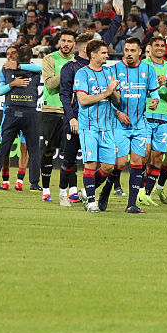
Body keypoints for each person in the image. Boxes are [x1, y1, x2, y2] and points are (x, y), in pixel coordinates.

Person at [108, 37, 160, 213]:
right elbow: (105, 99)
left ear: (140, 52)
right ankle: (104, 193)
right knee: (120, 164)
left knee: (138, 160)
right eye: (126, 50)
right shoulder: (114, 70)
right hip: (118, 123)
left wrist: (154, 102)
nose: (128, 54)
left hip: (139, 123)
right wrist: (118, 112)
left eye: (132, 50)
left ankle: (131, 204)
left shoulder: (148, 70)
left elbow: (155, 95)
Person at [0, 44, 43, 192]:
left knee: (15, 148)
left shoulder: (18, 69)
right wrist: (13, 83)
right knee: (26, 149)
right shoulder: (8, 69)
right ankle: (34, 184)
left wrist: (17, 66)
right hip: (21, 112)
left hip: (20, 112)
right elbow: (1, 91)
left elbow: (38, 68)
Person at [76, 40, 121, 213]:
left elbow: (117, 101)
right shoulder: (82, 74)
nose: (107, 55)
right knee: (90, 163)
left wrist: (114, 93)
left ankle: (85, 191)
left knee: (109, 167)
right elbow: (83, 100)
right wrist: (107, 92)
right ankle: (91, 202)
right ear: (92, 54)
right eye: (103, 53)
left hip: (107, 126)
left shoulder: (109, 73)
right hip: (89, 126)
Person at [141, 35, 167, 205]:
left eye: (162, 45)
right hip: (146, 116)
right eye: (156, 45)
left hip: (164, 117)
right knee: (145, 154)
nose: (159, 48)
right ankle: (140, 190)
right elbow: (139, 91)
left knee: (161, 155)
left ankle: (149, 191)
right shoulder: (144, 66)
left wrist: (166, 85)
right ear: (151, 47)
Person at [37, 30, 75, 196]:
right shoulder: (50, 59)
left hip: (71, 113)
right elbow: (50, 84)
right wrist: (67, 72)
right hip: (51, 111)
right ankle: (45, 189)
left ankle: (72, 190)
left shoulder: (77, 61)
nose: (66, 44)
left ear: (74, 44)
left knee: (70, 153)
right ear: (59, 41)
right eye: (64, 40)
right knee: (47, 150)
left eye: (69, 41)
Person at [58, 32, 94, 206]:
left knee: (97, 161)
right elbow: (64, 95)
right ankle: (63, 193)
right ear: (85, 48)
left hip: (94, 121)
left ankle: (88, 193)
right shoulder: (69, 68)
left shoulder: (98, 68)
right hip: (75, 120)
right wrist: (71, 118)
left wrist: (117, 19)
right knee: (69, 159)